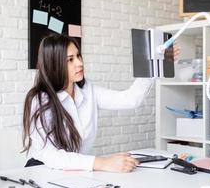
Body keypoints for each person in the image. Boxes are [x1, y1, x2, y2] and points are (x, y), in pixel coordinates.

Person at [22, 34, 180, 173]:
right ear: (54, 64)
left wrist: (156, 63)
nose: (79, 63)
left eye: (78, 56)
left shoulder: (87, 90)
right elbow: (50, 155)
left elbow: (131, 99)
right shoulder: (40, 100)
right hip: (41, 171)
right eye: (70, 60)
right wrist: (103, 162)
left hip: (74, 171)